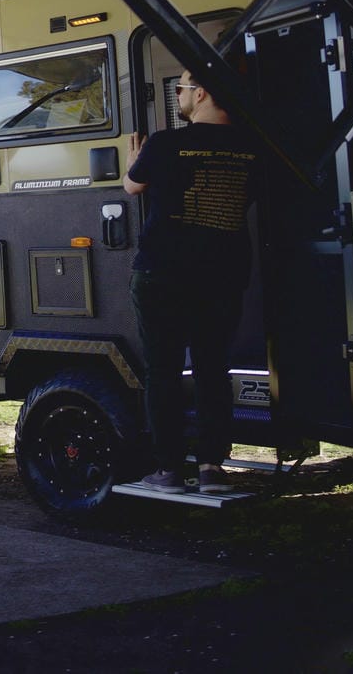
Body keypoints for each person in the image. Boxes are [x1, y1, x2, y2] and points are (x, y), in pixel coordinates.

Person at [124, 70, 260, 495]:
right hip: (223, 272)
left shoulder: (167, 142)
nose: (179, 95)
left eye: (180, 88)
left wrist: (134, 161)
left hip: (163, 272)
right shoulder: (254, 147)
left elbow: (132, 186)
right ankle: (211, 469)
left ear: (200, 94)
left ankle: (167, 470)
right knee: (212, 370)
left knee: (162, 371)